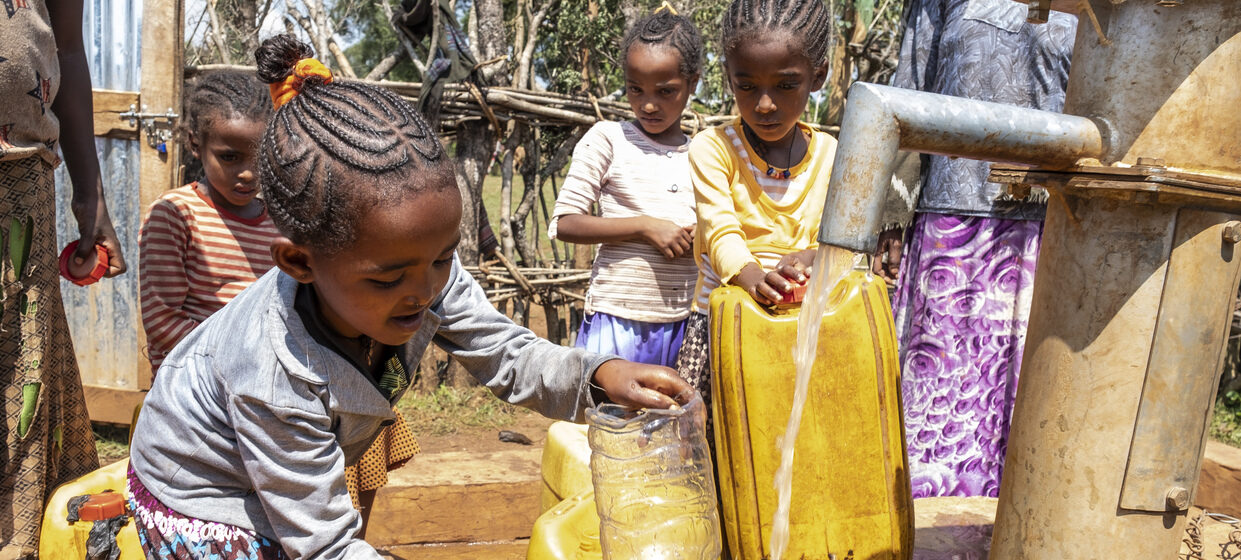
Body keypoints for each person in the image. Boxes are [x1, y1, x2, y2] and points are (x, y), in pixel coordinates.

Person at [126, 35, 692, 560]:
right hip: (203, 501)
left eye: (442, 258)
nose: (424, 291)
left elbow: (508, 353)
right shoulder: (272, 374)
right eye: (387, 278)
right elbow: (323, 546)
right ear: (299, 262)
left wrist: (599, 376)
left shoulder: (418, 269)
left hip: (273, 484)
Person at [137, 69, 411, 535]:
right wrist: (242, 358)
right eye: (229, 157)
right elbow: (163, 320)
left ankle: (348, 539)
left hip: (293, 378)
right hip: (213, 396)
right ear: (192, 143)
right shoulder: (176, 214)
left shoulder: (279, 224)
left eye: (259, 158)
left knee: (357, 450)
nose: (247, 173)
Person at [888, 0, 1077, 499]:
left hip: (1049, 230)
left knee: (1029, 397)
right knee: (932, 407)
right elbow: (905, 92)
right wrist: (889, 210)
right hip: (950, 231)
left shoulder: (1105, 10)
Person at [0, 0, 128, 556]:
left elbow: (68, 49)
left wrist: (91, 197)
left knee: (20, 371)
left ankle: (19, 542)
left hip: (19, 178)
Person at [674, 0, 839, 413]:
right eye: (747, 86)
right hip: (722, 324)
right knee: (708, 444)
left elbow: (838, 242)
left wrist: (811, 258)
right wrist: (753, 278)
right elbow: (719, 231)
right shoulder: (714, 149)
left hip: (801, 329)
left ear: (816, 77)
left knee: (787, 441)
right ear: (729, 78)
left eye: (785, 85)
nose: (765, 104)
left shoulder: (832, 155)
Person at [549, 5, 702, 368]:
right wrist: (645, 227)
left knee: (672, 421)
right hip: (617, 318)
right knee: (611, 419)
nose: (648, 104)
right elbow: (565, 222)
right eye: (635, 89)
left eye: (665, 91)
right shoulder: (609, 139)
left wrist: (703, 236)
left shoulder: (705, 153)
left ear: (692, 84)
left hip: (683, 323)